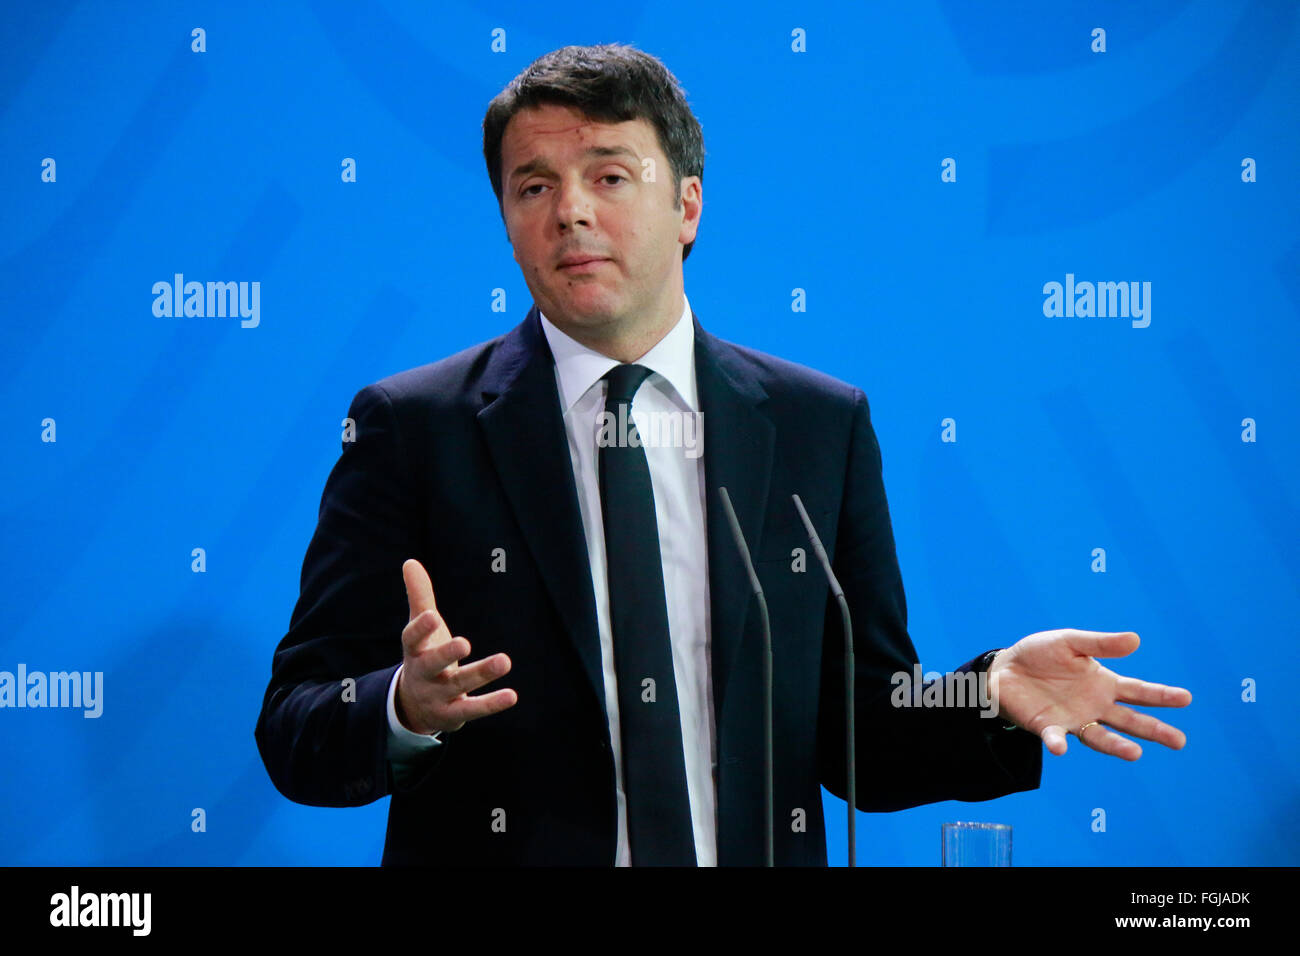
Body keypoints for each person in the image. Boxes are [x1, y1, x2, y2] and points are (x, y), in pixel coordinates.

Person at [254, 43, 1191, 866]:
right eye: (533, 186)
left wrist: (983, 696)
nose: (570, 212)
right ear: (506, 219)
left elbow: (858, 729)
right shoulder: (413, 427)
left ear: (688, 204)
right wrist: (403, 707)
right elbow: (295, 728)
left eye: (610, 176)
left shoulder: (816, 423)